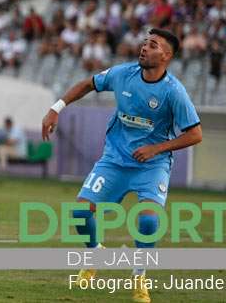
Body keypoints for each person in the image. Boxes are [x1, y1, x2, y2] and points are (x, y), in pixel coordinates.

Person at [42, 28, 202, 303]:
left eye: (153, 45)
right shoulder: (122, 74)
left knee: (148, 220)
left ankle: (139, 277)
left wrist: (156, 148)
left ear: (166, 56)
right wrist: (56, 107)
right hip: (115, 160)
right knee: (80, 211)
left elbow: (195, 134)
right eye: (144, 43)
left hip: (151, 165)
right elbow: (88, 83)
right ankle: (94, 253)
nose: (144, 47)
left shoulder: (174, 92)